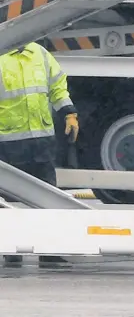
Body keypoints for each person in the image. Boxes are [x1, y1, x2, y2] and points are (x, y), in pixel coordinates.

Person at [0, 42, 79, 267]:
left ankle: (50, 250)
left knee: (48, 197)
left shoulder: (40, 53)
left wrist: (69, 113)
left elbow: (57, 87)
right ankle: (10, 248)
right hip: (8, 142)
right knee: (7, 201)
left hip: (41, 142)